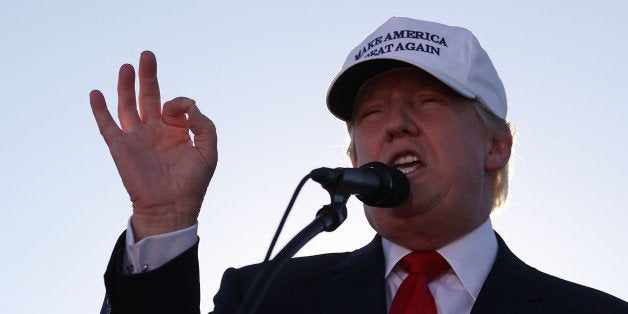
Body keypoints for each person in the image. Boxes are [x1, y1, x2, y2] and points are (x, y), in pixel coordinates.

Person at [92, 17, 627, 314]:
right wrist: (164, 218)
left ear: (496, 147)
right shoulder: (264, 298)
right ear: (353, 160)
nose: (395, 124)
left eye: (428, 101)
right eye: (370, 112)